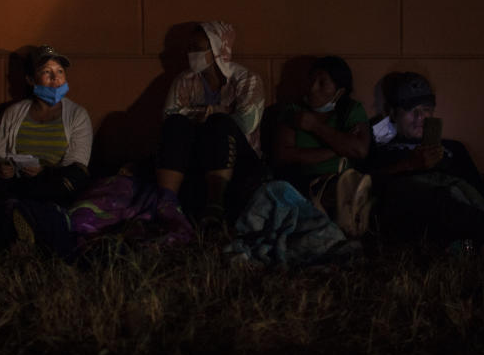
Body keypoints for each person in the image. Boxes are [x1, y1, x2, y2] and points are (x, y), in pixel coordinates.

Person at [367, 72, 484, 256]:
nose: (420, 117)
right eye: (410, 109)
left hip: (461, 203)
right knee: (434, 197)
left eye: (426, 109)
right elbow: (370, 184)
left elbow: (475, 186)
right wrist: (410, 165)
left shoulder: (453, 147)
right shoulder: (383, 148)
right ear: (393, 113)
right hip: (418, 208)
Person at [154, 21, 265, 226]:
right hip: (196, 154)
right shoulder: (185, 80)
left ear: (216, 50)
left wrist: (211, 114)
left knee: (220, 124)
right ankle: (167, 202)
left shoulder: (247, 80)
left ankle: (216, 204)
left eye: (197, 48)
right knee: (176, 124)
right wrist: (220, 110)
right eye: (189, 48)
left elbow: (246, 123)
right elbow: (170, 115)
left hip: (239, 158)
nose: (190, 53)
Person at [0, 45, 92, 252]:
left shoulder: (77, 115)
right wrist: (2, 166)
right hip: (18, 181)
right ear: (30, 79)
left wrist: (44, 171)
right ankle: (28, 220)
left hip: (53, 182)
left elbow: (78, 163)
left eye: (60, 72)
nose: (55, 79)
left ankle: (26, 217)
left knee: (76, 176)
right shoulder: (14, 113)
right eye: (47, 72)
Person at [273, 56, 372, 236]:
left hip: (340, 179)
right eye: (311, 81)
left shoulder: (351, 110)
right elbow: (284, 154)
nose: (312, 88)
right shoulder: (293, 111)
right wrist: (339, 147)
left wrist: (315, 126)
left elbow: (359, 150)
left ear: (339, 92)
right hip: (302, 181)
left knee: (346, 186)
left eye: (322, 83)